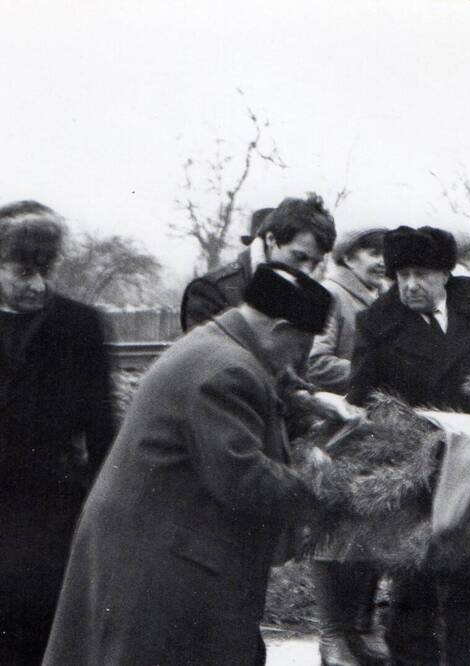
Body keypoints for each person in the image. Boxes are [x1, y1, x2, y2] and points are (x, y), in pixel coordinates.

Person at [43, 263, 341, 666]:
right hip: (165, 569)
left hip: (155, 549)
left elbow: (263, 375)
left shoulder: (217, 342)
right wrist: (321, 484)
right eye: (300, 348)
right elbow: (242, 479)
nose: (299, 362)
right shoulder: (225, 370)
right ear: (279, 328)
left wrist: (301, 398)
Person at [347, 225, 470, 666]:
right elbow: (363, 399)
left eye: (422, 274)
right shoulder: (377, 323)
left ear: (446, 273)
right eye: (401, 274)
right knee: (414, 600)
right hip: (419, 479)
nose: (410, 285)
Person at [0, 201, 116, 665]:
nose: (38, 285)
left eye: (47, 270)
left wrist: (103, 504)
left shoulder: (79, 325)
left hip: (52, 504)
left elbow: (103, 426)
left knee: (46, 630)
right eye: (23, 271)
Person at [306, 221, 390, 666]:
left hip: (368, 427)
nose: (380, 260)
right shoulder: (332, 294)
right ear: (346, 256)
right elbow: (315, 362)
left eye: (383, 252)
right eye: (369, 251)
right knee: (331, 531)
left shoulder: (378, 296)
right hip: (334, 429)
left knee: (371, 525)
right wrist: (373, 374)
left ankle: (361, 627)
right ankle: (331, 634)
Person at [180, 194, 336, 331]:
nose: (307, 271)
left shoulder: (307, 297)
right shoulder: (211, 291)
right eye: (299, 257)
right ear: (271, 240)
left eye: (315, 263)